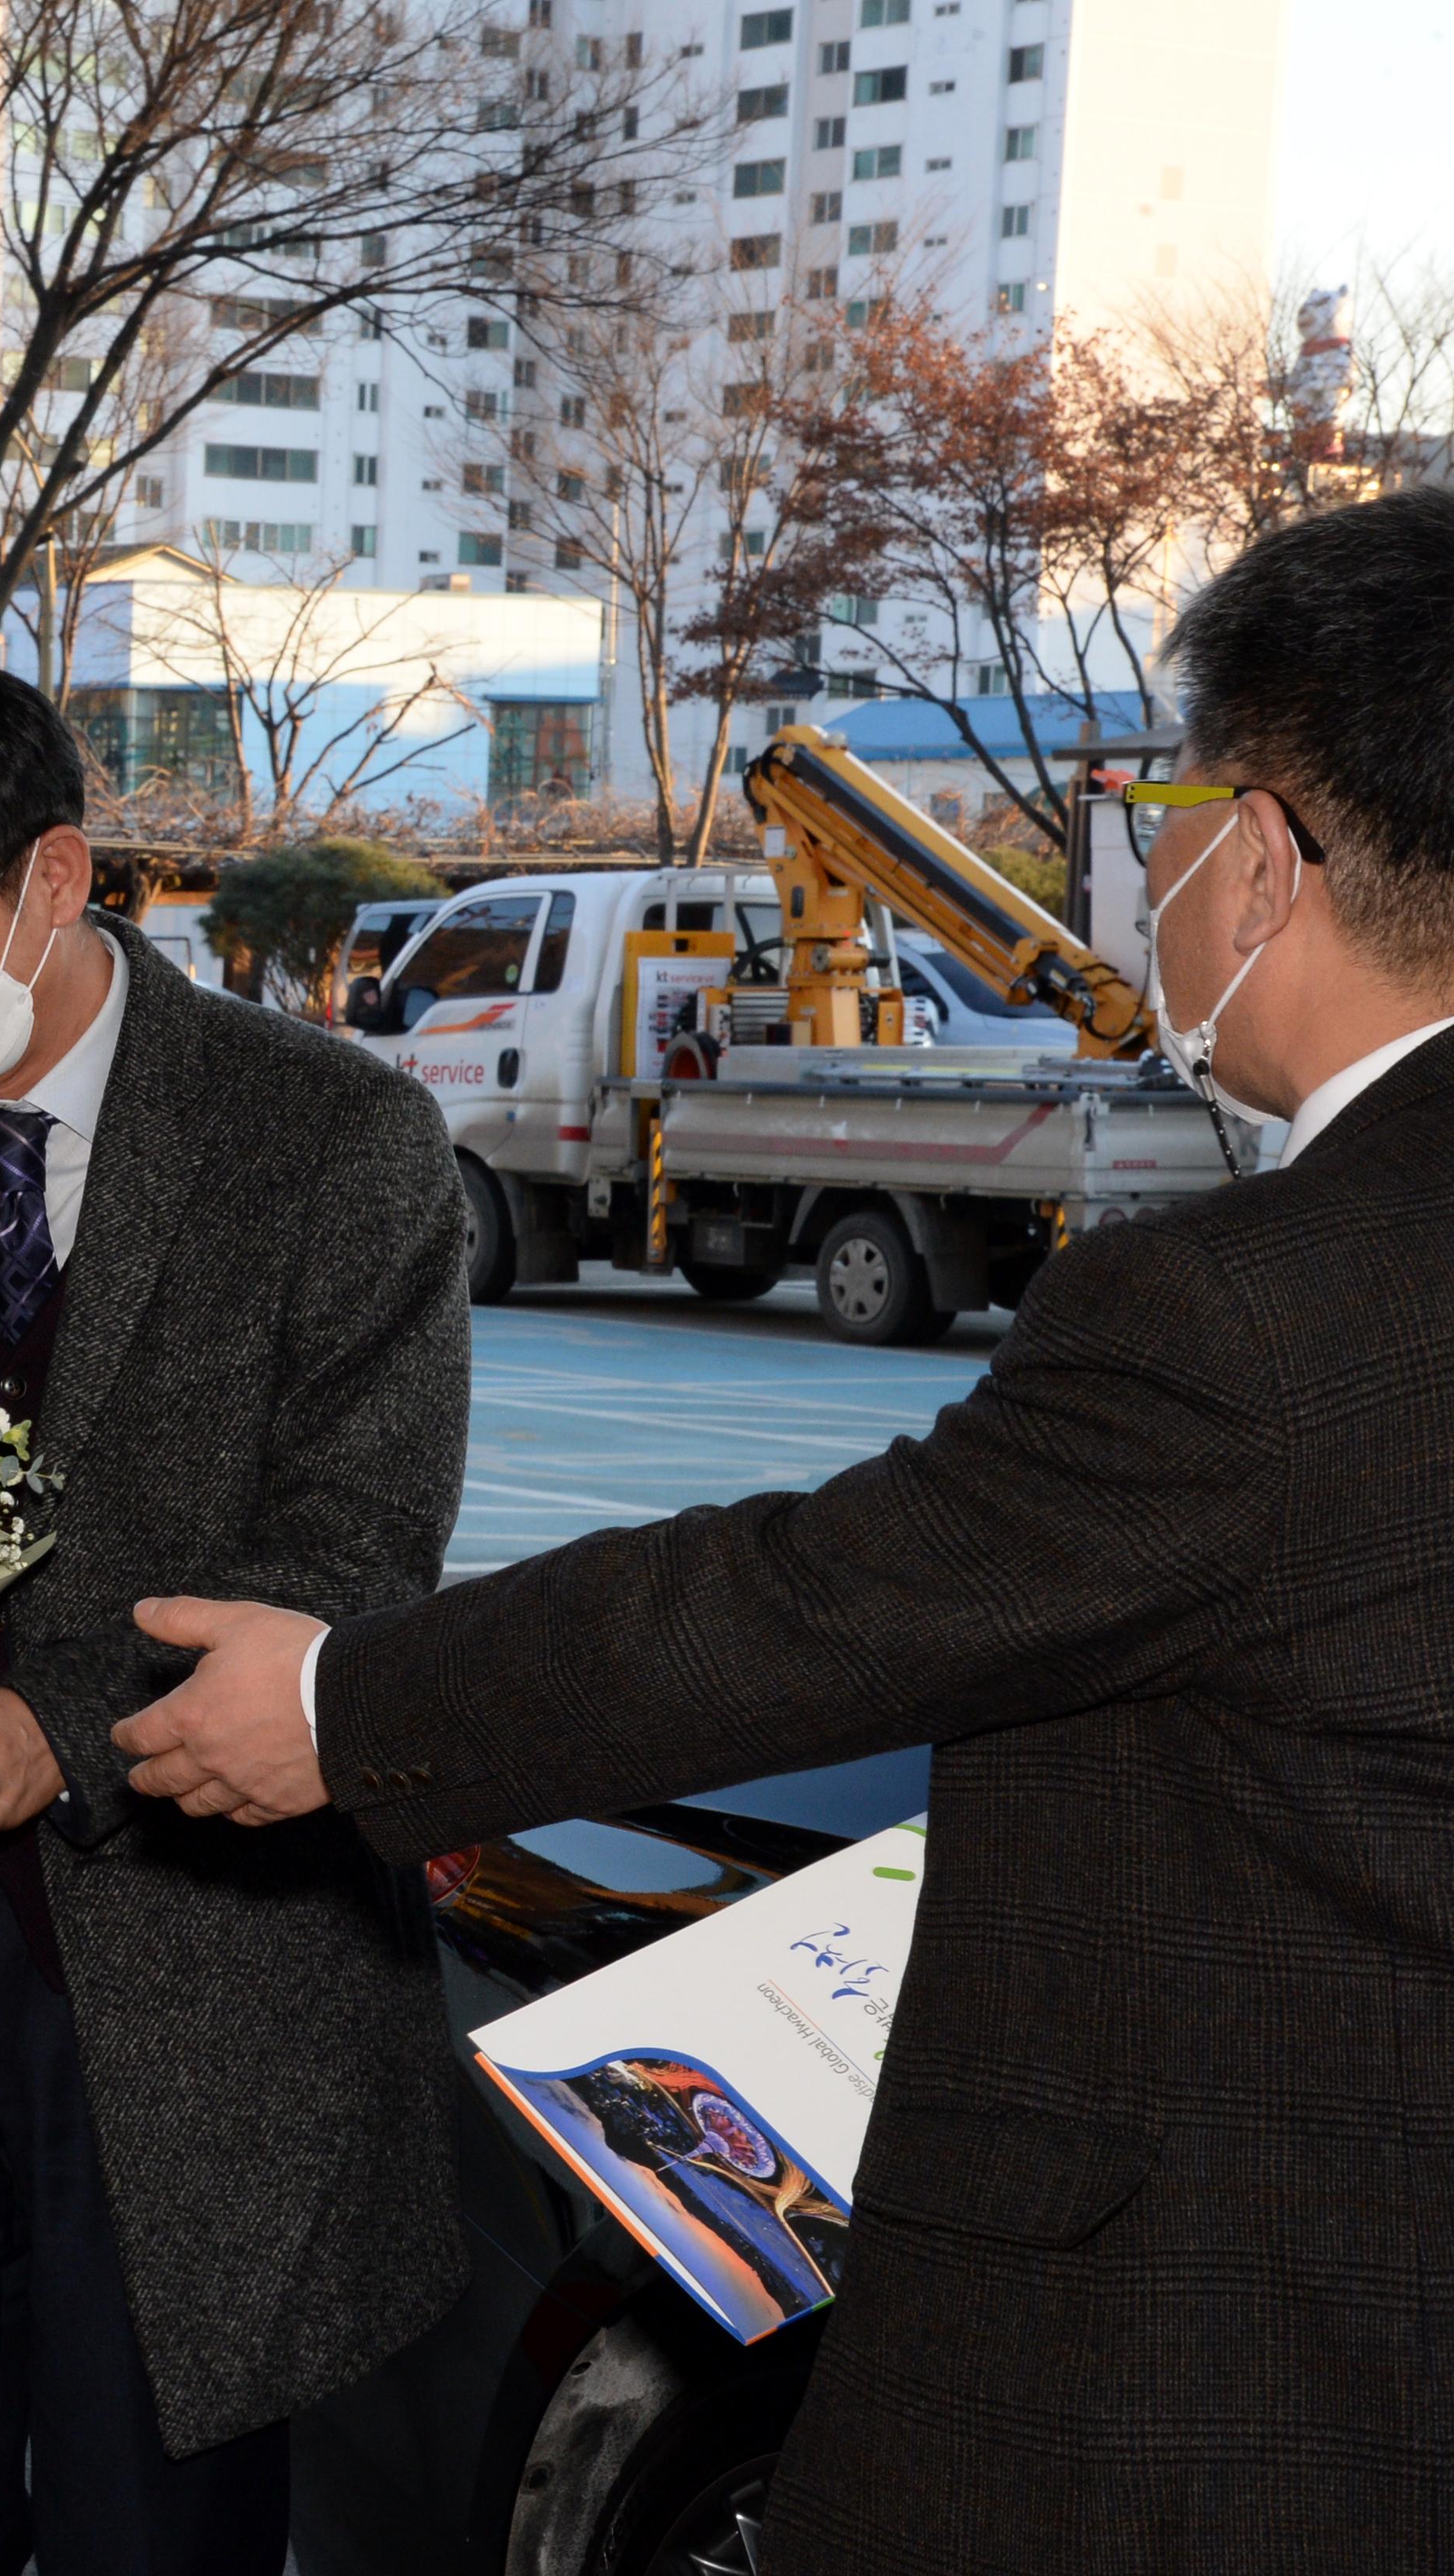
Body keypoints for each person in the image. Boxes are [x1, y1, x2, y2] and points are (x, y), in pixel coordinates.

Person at [111, 486, 1454, 2572]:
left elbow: (814, 1601)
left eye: (1172, 808)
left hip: (1215, 2383)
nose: (1157, 864)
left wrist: (338, 1700)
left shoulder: (1255, 1304)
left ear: (1266, 848)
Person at [0, 658, 473, 2574]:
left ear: (56, 876)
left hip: (192, 1994)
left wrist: (60, 1725)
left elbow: (362, 1548)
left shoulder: (327, 1139)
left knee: (162, 2533)